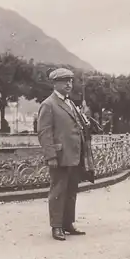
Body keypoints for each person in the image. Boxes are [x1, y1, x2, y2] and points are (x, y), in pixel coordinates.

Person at [37, 68, 95, 241]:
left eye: (70, 81)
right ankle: (56, 226)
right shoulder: (48, 104)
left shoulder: (70, 103)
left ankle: (68, 223)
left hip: (75, 155)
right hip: (60, 156)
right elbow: (44, 133)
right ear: (55, 84)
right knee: (58, 191)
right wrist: (51, 156)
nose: (69, 84)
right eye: (64, 81)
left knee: (71, 190)